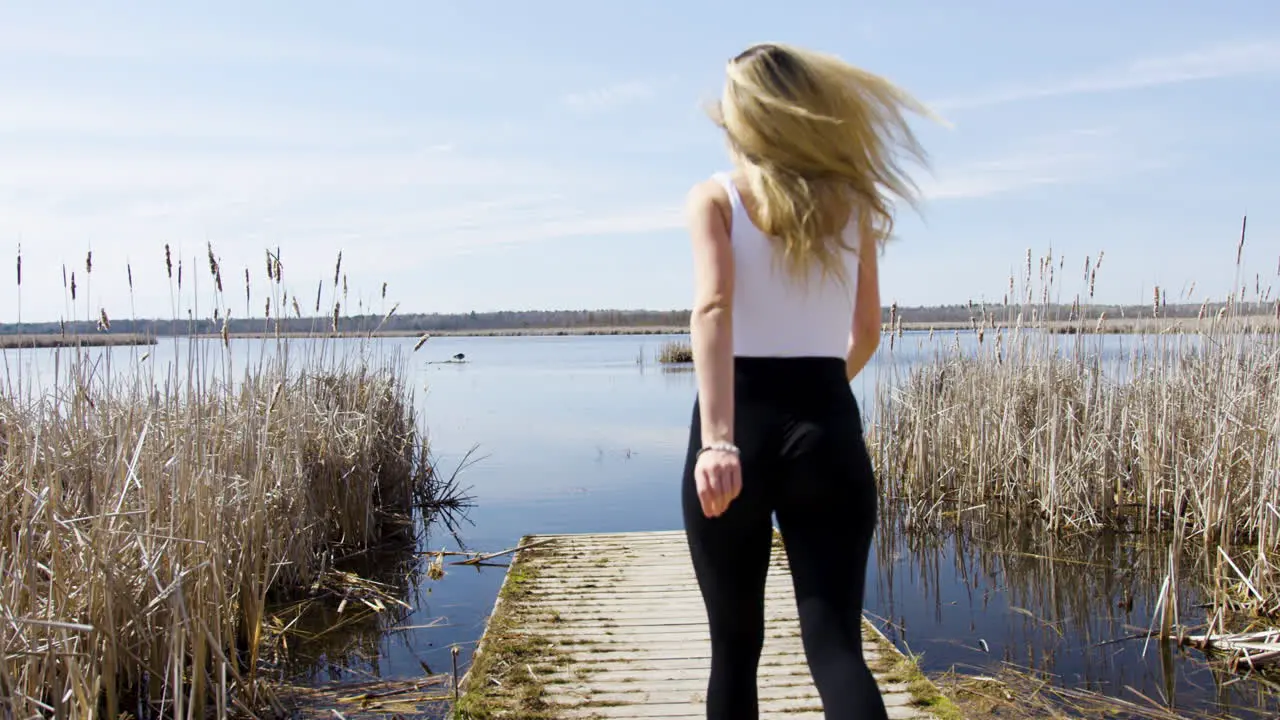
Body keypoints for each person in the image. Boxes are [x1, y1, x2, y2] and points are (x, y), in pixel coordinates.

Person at [680, 42, 936, 720]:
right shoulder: (852, 206)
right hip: (828, 424)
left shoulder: (717, 198)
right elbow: (868, 332)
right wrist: (819, 391)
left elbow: (712, 308)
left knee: (734, 650)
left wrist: (719, 441)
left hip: (738, 422)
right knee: (836, 650)